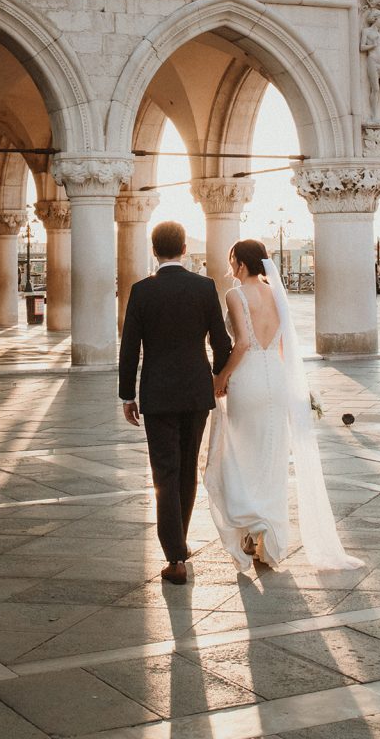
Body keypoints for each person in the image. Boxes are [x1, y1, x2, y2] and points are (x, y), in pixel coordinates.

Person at [203, 239, 363, 573]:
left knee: (242, 456)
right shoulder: (277, 293)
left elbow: (244, 343)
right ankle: (267, 539)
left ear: (242, 264)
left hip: (247, 381)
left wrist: (222, 376)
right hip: (276, 380)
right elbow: (283, 348)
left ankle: (250, 525)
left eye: (232, 261)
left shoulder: (235, 295)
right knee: (272, 458)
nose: (230, 267)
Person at [118, 220, 231, 585]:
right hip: (197, 393)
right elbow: (221, 341)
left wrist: (127, 395)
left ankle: (175, 557)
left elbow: (129, 348)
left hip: (158, 394)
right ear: (184, 249)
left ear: (154, 250)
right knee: (186, 467)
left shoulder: (141, 291)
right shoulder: (204, 287)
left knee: (164, 472)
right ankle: (179, 546)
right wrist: (217, 377)